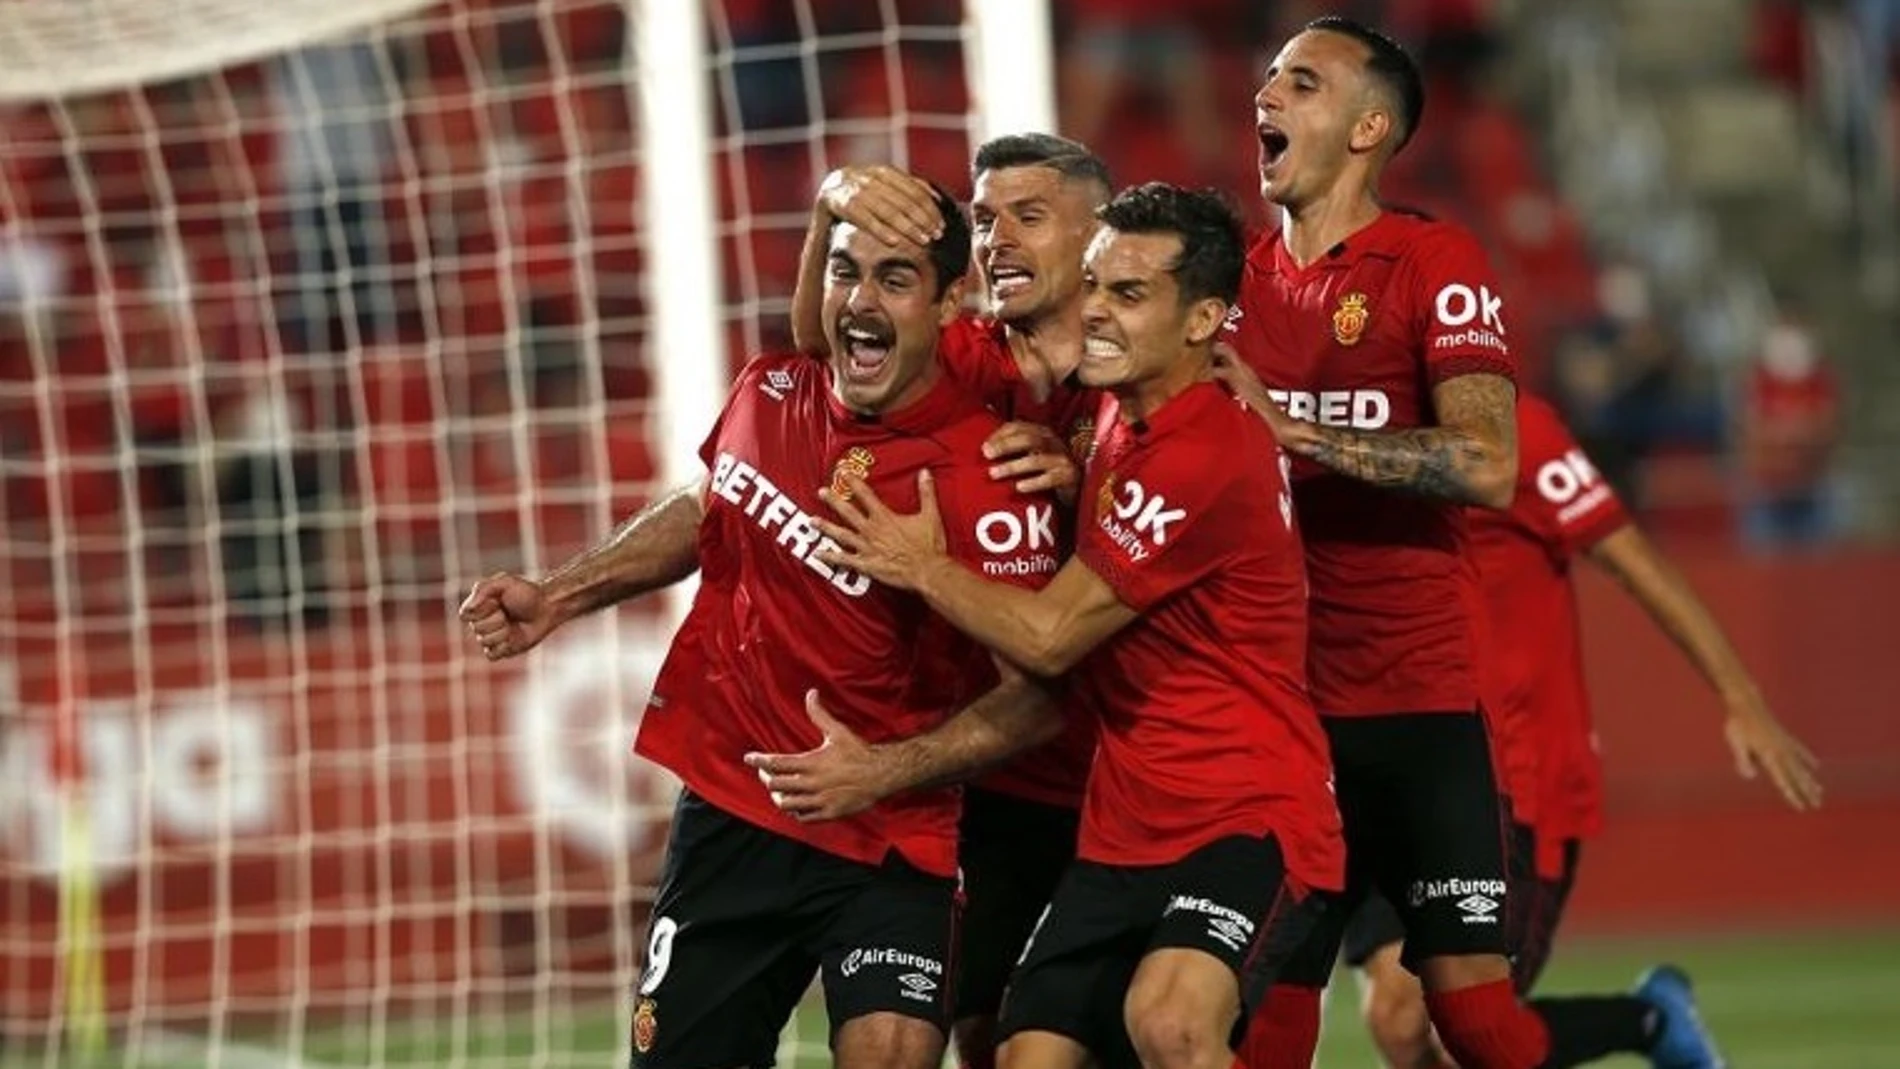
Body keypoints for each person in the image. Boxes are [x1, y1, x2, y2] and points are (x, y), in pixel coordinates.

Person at [459, 185, 1066, 1069]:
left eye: (894, 279)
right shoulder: (769, 390)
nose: (860, 298)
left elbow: (1040, 700)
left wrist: (883, 769)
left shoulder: (990, 479)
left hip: (889, 834)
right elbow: (712, 505)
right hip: (733, 810)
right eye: (846, 272)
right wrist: (560, 594)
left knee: (894, 1054)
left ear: (945, 305)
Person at [748, 183, 1343, 1069]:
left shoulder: (1205, 449)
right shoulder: (1118, 409)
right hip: (1123, 824)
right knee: (1022, 1057)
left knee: (1173, 1024)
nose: (1095, 312)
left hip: (1244, 813)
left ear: (1204, 320)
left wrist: (918, 564)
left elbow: (1049, 639)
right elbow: (823, 341)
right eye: (1096, 284)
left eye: (1129, 295)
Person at [1209, 16, 1622, 1069]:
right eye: (1265, 79)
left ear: (1368, 127)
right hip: (1283, 719)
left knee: (1470, 1021)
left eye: (1299, 83)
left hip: (1419, 710)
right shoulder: (1228, 287)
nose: (1265, 97)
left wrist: (1295, 431)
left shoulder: (1430, 260)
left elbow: (1486, 463)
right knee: (1264, 1015)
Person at [1340, 391, 1824, 1069]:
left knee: (1466, 1032)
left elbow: (1635, 560)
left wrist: (1740, 695)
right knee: (1396, 1018)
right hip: (1402, 771)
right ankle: (1649, 1018)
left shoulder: (1516, 431)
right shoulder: (1338, 420)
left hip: (1520, 777)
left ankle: (1648, 1019)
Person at [790, 133, 1112, 1068]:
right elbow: (822, 345)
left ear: (1100, 238)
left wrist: (1088, 475)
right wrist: (833, 200)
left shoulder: (1157, 363)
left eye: (1027, 215)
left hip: (1140, 768)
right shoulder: (962, 353)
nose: (996, 237)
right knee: (981, 1037)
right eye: (983, 218)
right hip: (1004, 771)